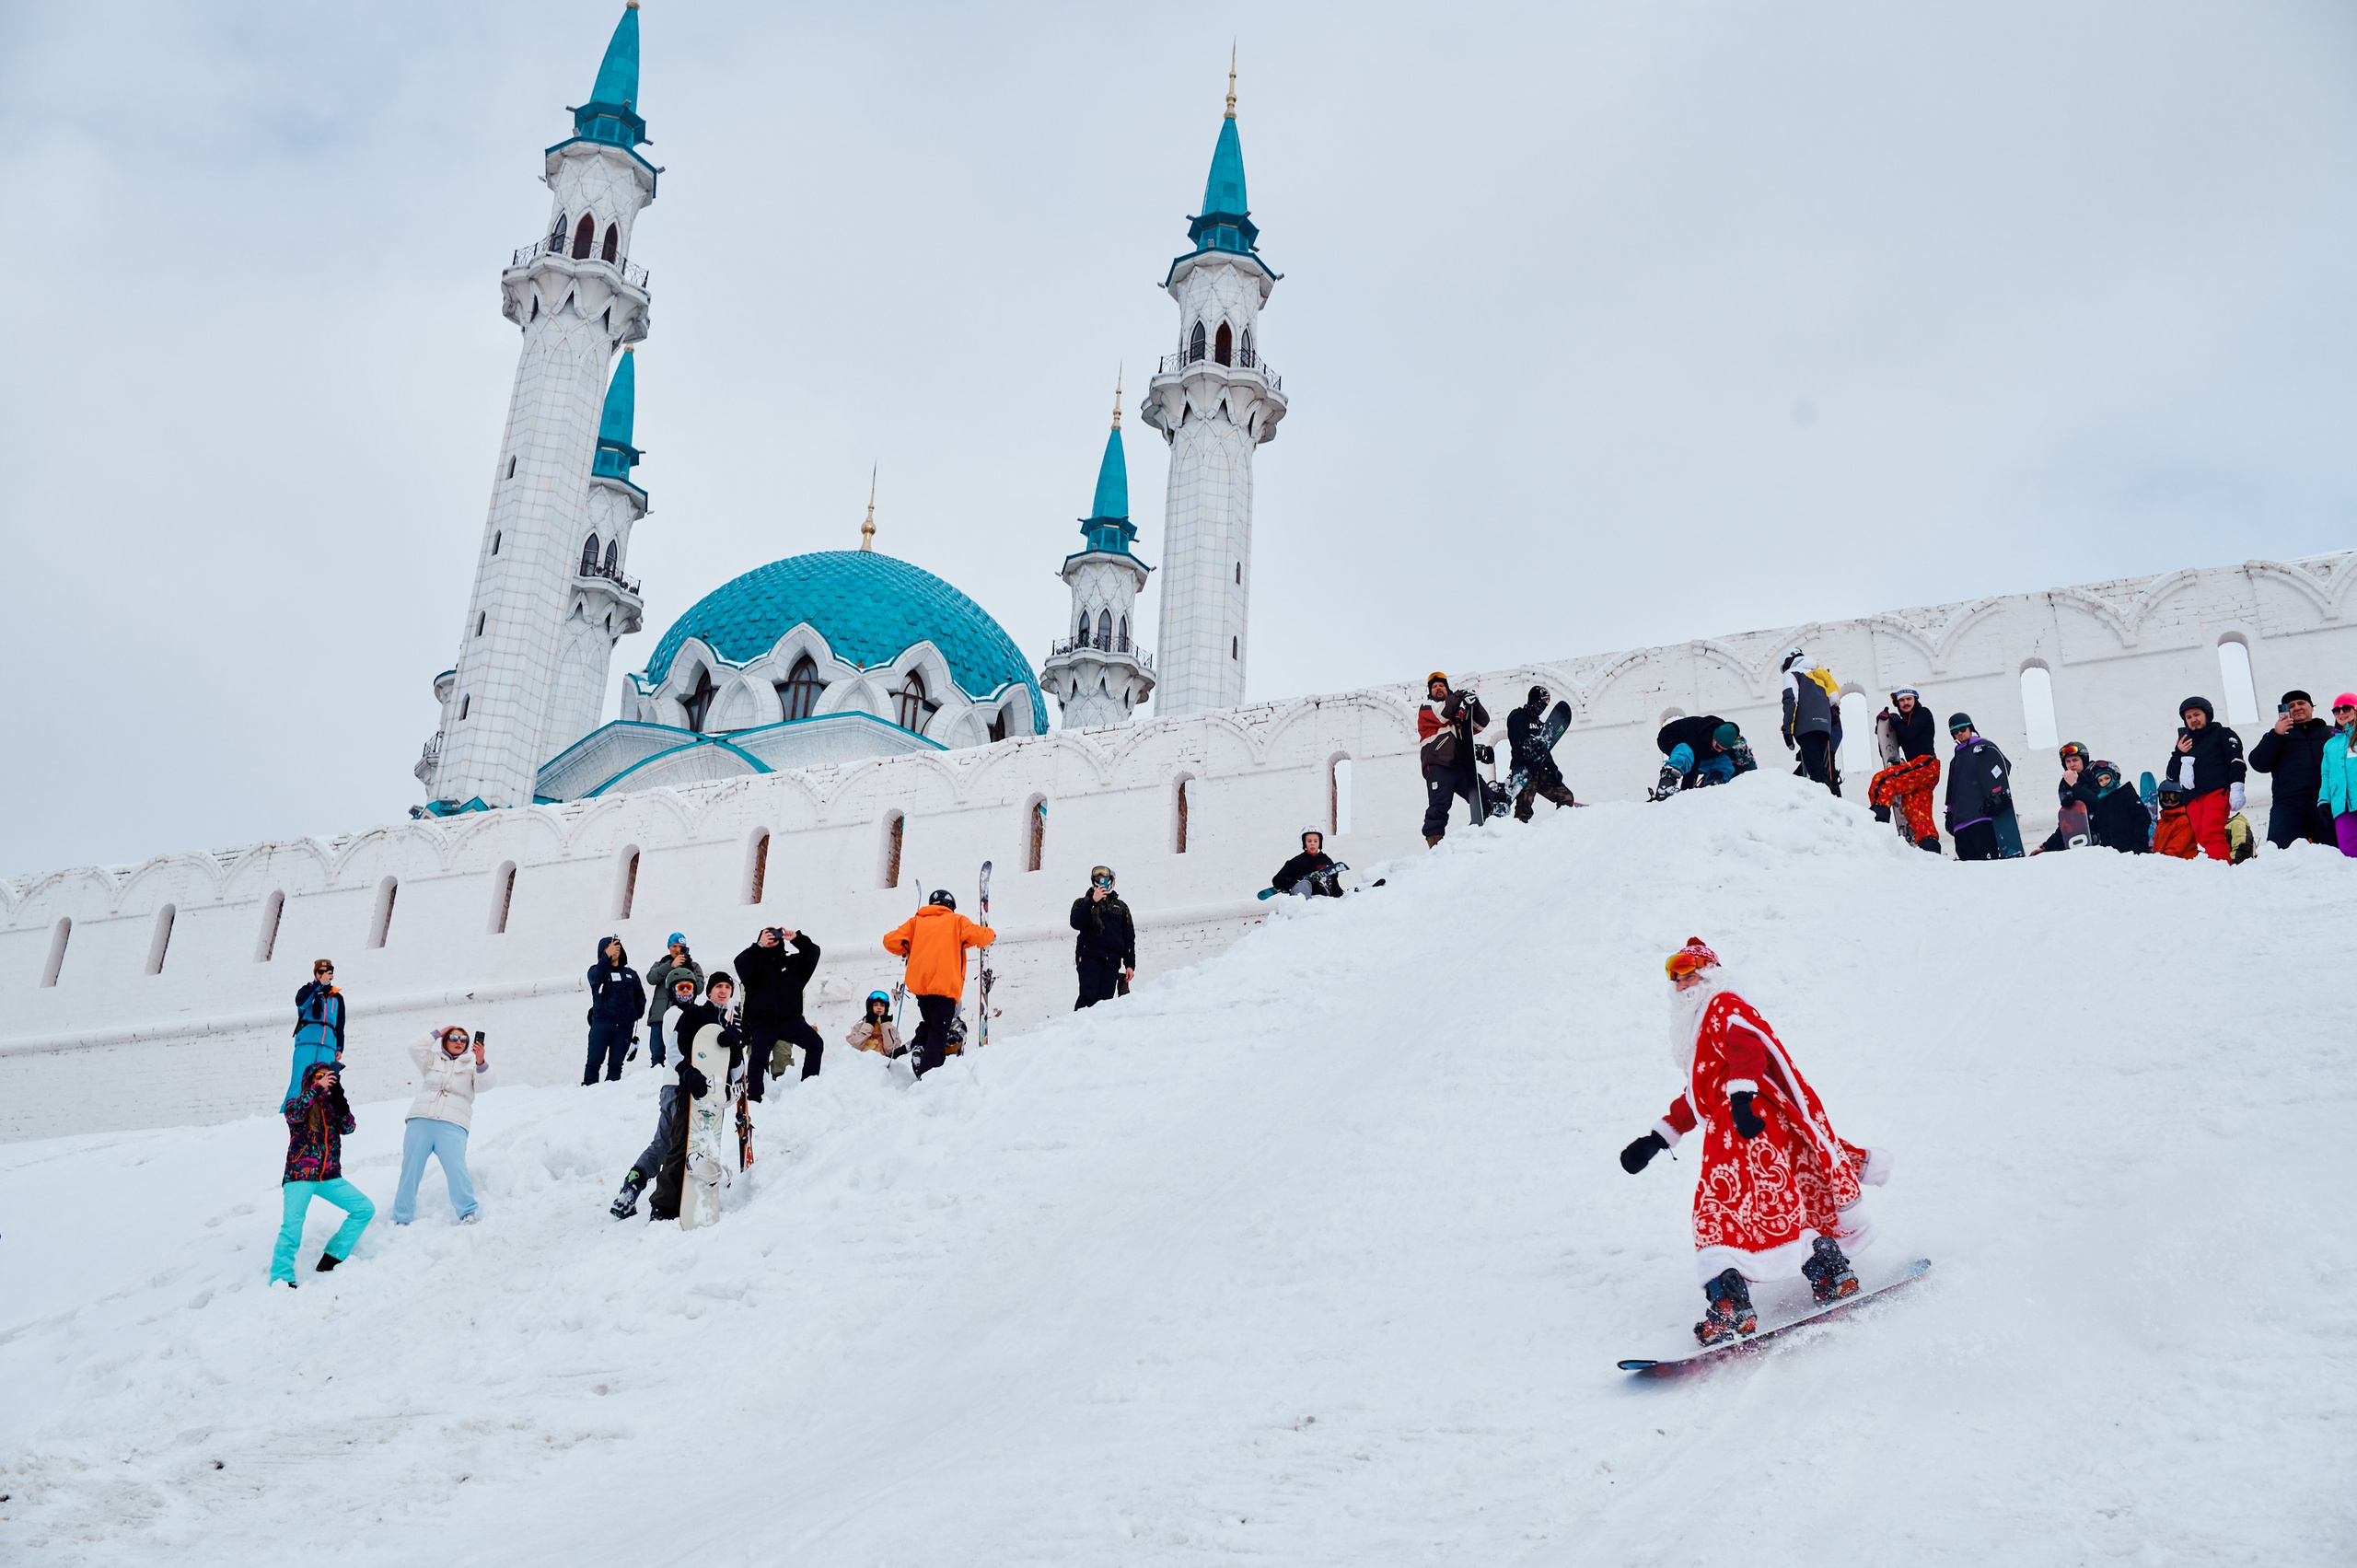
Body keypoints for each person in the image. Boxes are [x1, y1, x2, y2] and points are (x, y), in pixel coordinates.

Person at [1618, 938, 1890, 1346]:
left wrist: (1743, 1098)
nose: (1681, 980)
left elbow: (1749, 1049)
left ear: (1710, 972)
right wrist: (1657, 1139)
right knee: (1774, 1205)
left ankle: (1730, 1309)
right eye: (1674, 975)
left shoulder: (1724, 1004)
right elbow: (1699, 1095)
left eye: (1690, 970)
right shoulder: (1701, 1027)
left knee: (1716, 1217)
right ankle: (1832, 1272)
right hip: (1740, 1127)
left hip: (1744, 1126)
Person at [615, 972, 740, 1222]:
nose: (723, 991)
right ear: (710, 991)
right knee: (677, 1146)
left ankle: (695, 1197)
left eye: (728, 987)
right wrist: (688, 1073)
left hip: (714, 1095)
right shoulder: (692, 1015)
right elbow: (675, 1050)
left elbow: (736, 1068)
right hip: (687, 1090)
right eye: (718, 987)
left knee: (705, 1146)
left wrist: (735, 1046)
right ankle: (663, 1206)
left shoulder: (727, 1024)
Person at [271, 1062, 374, 1288]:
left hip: (329, 1176)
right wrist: (316, 1089)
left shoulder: (331, 1106)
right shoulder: (297, 1103)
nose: (327, 1079)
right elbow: (294, 1115)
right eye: (320, 1075)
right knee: (292, 1225)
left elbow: (349, 1127)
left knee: (364, 1209)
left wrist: (338, 1097)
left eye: (330, 1076)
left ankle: (333, 1256)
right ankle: (281, 1276)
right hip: (300, 1176)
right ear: (310, 1079)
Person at [883, 890, 996, 1076]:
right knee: (938, 1033)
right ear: (950, 906)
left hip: (922, 991)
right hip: (944, 990)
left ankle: (919, 1048)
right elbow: (980, 936)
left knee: (929, 1024)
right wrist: (991, 935)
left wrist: (907, 947)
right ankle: (929, 1074)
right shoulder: (957, 921)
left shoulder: (916, 922)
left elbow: (890, 941)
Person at [392, 1025, 490, 1225]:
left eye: (463, 1040)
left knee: (457, 1169)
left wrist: (481, 1062)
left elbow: (485, 1085)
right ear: (446, 1040)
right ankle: (401, 1217)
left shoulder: (472, 1066)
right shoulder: (432, 1060)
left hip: (453, 1124)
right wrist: (437, 1032)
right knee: (410, 1169)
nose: (458, 1042)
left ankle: (467, 1212)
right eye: (453, 1037)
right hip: (421, 1120)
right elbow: (414, 1047)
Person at [734, 925, 821, 1095]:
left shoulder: (793, 964)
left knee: (816, 1044)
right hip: (763, 1023)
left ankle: (809, 1088)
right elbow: (739, 963)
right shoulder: (753, 968)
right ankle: (754, 1099)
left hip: (791, 1020)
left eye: (775, 935)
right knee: (757, 1060)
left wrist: (796, 938)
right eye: (767, 936)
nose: (772, 938)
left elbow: (813, 953)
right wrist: (758, 947)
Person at [2163, 696, 2246, 863]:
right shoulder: (2185, 743)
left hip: (2217, 791)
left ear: (2207, 714)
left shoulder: (2222, 734)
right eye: (2189, 717)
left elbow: (2236, 761)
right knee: (2202, 836)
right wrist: (2179, 752)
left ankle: (2222, 869)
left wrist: (2237, 787)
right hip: (2193, 798)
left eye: (2197, 715)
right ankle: (2220, 863)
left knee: (2211, 831)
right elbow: (2171, 776)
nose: (2193, 720)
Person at [2249, 691, 2335, 850]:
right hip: (2288, 804)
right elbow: (2258, 764)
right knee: (2282, 854)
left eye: (2301, 703)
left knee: (2334, 855)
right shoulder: (2277, 735)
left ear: (2311, 707)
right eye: (2291, 706)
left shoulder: (2330, 733)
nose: (2297, 708)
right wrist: (2276, 735)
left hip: (2325, 802)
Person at [1417, 671, 1490, 846]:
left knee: (1484, 797)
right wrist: (1460, 695)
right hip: (1438, 764)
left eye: (1441, 685)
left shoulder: (1456, 712)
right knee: (1440, 805)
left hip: (1461, 766)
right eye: (1434, 687)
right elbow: (1442, 713)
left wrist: (1474, 703)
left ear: (1447, 688)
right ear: (1430, 692)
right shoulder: (1427, 707)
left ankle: (1485, 833)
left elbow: (1481, 723)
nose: (1438, 688)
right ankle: (1435, 845)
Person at [1867, 690, 1942, 853]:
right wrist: (1884, 730)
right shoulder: (1904, 722)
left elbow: (1909, 733)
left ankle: (1878, 822)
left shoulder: (1923, 713)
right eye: (1902, 700)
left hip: (1925, 764)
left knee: (1883, 781)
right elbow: (1893, 744)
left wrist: (1895, 722)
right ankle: (1929, 847)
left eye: (1909, 699)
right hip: (1922, 773)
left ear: (1916, 700)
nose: (1906, 703)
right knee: (1917, 811)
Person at [1944, 714, 2021, 861]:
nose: (1959, 733)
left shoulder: (1985, 748)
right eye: (1955, 731)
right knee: (1968, 869)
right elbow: (1951, 791)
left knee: (1986, 864)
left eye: (1962, 728)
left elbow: (2004, 769)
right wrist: (1950, 814)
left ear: (1970, 728)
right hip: (1960, 824)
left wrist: (1997, 796)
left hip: (1981, 818)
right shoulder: (1955, 760)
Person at [1505, 685, 1578, 819]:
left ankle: (1561, 826)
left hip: (1540, 770)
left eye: (1545, 706)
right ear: (1533, 701)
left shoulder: (1540, 724)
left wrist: (1553, 768)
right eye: (1541, 704)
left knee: (1566, 797)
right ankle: (1517, 836)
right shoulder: (1518, 716)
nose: (1542, 709)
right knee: (1524, 810)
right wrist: (1528, 743)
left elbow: (1546, 749)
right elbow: (1518, 740)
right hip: (1524, 771)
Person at [1070, 865, 1137, 1007]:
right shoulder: (1082, 902)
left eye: (1105, 879)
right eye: (1098, 879)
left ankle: (1100, 1029)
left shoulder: (1121, 907)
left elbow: (1129, 936)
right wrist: (1092, 901)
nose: (1101, 881)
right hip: (1089, 955)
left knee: (1106, 1001)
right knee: (1088, 996)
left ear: (1111, 881)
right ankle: (1078, 1027)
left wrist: (1130, 965)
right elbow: (1076, 923)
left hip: (1112, 959)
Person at [1779, 648, 1842, 796]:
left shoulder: (1792, 673)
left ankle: (1826, 802)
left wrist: (1787, 728)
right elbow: (1834, 698)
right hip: (1825, 727)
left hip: (1805, 727)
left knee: (1815, 773)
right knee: (1822, 767)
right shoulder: (1821, 674)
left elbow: (1790, 700)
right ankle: (1836, 800)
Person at [582, 936, 644, 1085]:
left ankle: (610, 1094)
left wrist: (634, 1014)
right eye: (608, 947)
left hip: (624, 1027)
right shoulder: (596, 971)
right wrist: (605, 957)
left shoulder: (631, 974)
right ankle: (588, 1092)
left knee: (616, 1065)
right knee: (594, 1062)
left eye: (616, 945)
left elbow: (640, 997)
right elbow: (596, 977)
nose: (614, 949)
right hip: (602, 1023)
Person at [285, 959, 346, 1104]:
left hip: (328, 1045)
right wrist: (318, 985)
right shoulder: (307, 990)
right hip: (308, 1040)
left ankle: (323, 1113)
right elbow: (301, 1003)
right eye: (320, 972)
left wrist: (339, 1047)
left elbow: (340, 1024)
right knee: (300, 1078)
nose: (324, 975)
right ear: (315, 973)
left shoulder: (337, 997)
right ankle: (291, 1110)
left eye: (327, 972)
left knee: (327, 1080)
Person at [1651, 716, 1758, 798]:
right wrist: (1686, 792)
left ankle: (1714, 786)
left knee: (1724, 763)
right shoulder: (1700, 735)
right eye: (1717, 746)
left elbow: (1749, 765)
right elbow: (1693, 767)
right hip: (1670, 737)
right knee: (1686, 752)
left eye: (1722, 749)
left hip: (1699, 754)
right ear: (1714, 738)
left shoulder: (1732, 744)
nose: (1719, 750)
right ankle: (1666, 786)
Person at [644, 934, 703, 1068]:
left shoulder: (693, 966)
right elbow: (651, 979)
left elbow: (699, 989)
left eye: (681, 947)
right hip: (660, 1016)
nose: (677, 950)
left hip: (683, 1016)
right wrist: (670, 966)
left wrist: (687, 968)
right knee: (657, 1054)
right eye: (674, 946)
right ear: (669, 947)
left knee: (683, 1051)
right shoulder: (660, 964)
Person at [2084, 760, 2152, 853]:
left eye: (2107, 778)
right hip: (2111, 854)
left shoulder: (2126, 793)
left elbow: (2142, 817)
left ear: (2115, 777)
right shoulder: (2101, 802)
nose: (2104, 782)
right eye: (2100, 780)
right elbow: (2097, 825)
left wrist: (2140, 846)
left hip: (2131, 850)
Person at [2319, 693, 2357, 857]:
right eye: (2336, 710)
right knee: (2348, 851)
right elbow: (2326, 775)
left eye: (2346, 708)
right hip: (2341, 805)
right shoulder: (2330, 745)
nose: (2341, 713)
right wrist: (2324, 801)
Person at [1269, 830, 1344, 899]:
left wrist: (1342, 898)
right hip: (1304, 903)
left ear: (1320, 843)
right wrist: (1295, 881)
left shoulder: (1327, 861)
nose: (1312, 844)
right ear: (1304, 843)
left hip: (1324, 902)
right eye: (1309, 841)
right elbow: (1277, 879)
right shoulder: (1297, 861)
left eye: (1315, 841)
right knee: (1304, 884)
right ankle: (1306, 908)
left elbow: (1334, 883)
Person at [847, 991, 903, 1057]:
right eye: (875, 1005)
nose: (879, 1007)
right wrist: (869, 1024)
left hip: (882, 1065)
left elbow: (892, 1052)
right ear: (870, 1007)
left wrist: (885, 1027)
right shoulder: (859, 1027)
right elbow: (855, 1046)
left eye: (882, 1005)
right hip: (861, 1065)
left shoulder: (892, 1029)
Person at [2152, 779, 2198, 858]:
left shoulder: (2185, 821)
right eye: (2165, 797)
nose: (2169, 801)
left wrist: (2157, 863)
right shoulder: (2161, 822)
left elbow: (2174, 851)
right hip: (2165, 865)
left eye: (2174, 797)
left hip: (2182, 866)